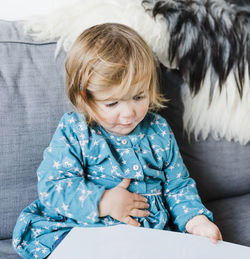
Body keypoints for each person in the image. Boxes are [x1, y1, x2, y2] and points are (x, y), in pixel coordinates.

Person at [12, 23, 222, 259]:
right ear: (86, 98)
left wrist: (196, 220)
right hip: (89, 228)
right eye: (112, 103)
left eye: (139, 96)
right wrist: (103, 201)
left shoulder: (159, 130)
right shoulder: (77, 131)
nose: (129, 113)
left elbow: (177, 185)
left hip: (150, 235)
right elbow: (53, 185)